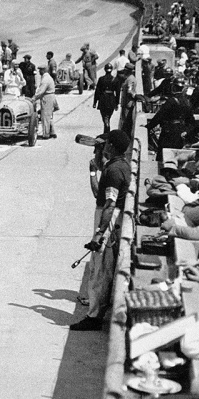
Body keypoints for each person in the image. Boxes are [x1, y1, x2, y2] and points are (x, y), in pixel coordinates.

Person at [72, 129, 131, 331]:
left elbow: (109, 204)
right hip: (109, 218)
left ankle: (94, 316)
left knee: (100, 268)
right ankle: (96, 311)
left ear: (111, 146)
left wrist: (99, 232)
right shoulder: (119, 165)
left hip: (108, 219)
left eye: (105, 144)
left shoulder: (113, 171)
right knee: (100, 266)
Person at [33, 59, 57, 139]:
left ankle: (46, 134)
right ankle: (52, 132)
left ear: (43, 70)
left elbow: (41, 91)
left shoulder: (45, 79)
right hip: (50, 96)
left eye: (40, 70)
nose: (39, 72)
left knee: (45, 116)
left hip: (47, 97)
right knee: (49, 116)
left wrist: (34, 98)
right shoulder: (47, 77)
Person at [93, 64, 119, 133]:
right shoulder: (115, 80)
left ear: (105, 70)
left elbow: (97, 91)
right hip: (111, 100)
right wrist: (117, 103)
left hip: (103, 99)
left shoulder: (101, 79)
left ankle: (107, 128)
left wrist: (95, 102)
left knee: (104, 117)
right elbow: (118, 93)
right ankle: (107, 128)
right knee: (108, 116)